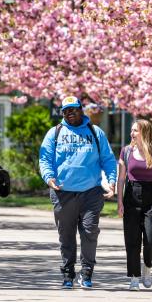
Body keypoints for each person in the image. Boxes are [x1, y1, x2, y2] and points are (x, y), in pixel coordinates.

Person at [39, 96, 117, 289]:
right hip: (62, 192)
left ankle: (87, 272)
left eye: (73, 109)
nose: (70, 113)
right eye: (66, 110)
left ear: (81, 110)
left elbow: (108, 159)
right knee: (66, 235)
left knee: (90, 232)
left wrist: (112, 180)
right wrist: (49, 178)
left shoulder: (95, 132)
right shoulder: (54, 133)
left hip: (91, 192)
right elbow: (45, 158)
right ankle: (67, 274)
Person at [117, 119, 152, 291]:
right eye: (132, 130)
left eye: (135, 131)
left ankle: (147, 266)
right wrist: (119, 202)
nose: (132, 133)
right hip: (131, 197)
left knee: (150, 239)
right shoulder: (125, 152)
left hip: (151, 199)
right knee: (132, 240)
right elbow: (121, 180)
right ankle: (134, 277)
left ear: (145, 133)